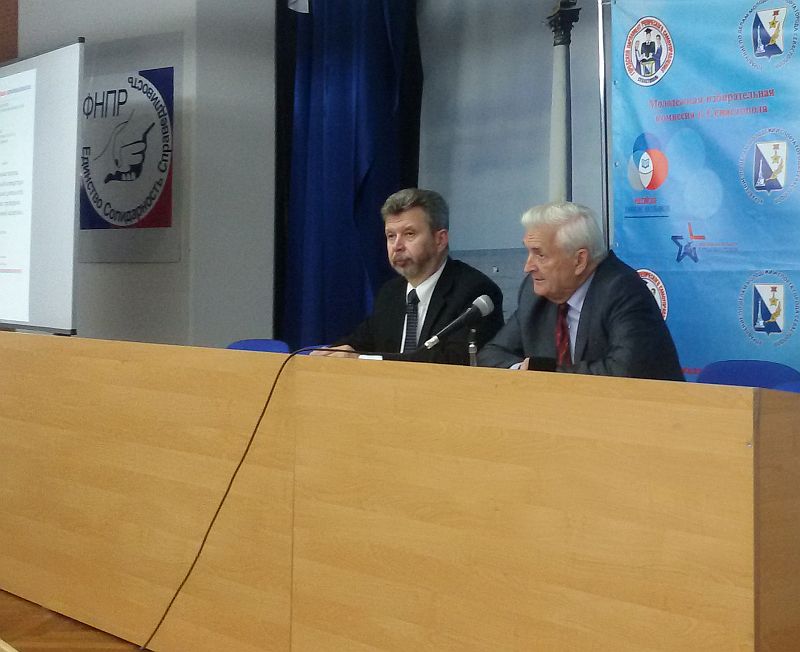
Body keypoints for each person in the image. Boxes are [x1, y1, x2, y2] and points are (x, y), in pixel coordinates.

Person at [477, 201, 684, 380]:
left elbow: (625, 372)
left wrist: (542, 374)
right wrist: (520, 371)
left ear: (579, 260)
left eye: (540, 255)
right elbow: (491, 354)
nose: (528, 267)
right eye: (529, 252)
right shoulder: (534, 294)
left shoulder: (623, 291)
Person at [312, 188, 504, 365]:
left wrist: (362, 358)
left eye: (409, 234)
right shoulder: (390, 293)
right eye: (391, 236)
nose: (397, 246)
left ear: (440, 240)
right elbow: (359, 342)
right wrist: (333, 353)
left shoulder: (475, 292)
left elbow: (454, 361)